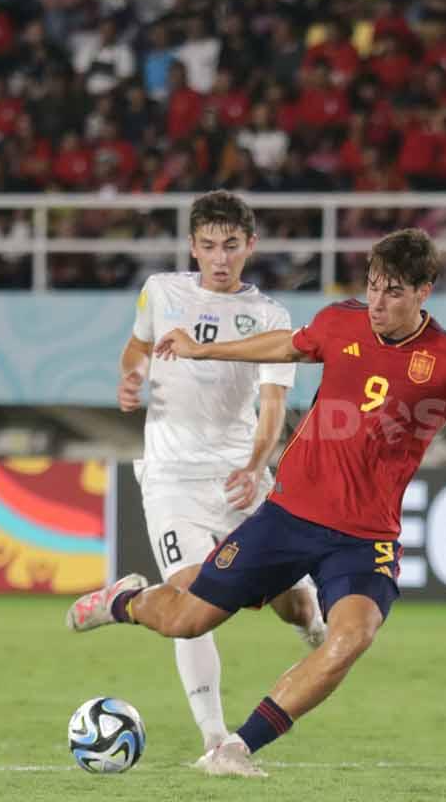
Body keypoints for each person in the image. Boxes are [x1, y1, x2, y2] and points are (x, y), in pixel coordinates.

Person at [66, 228, 446, 777]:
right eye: (374, 287)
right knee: (185, 620)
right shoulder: (342, 321)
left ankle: (236, 748)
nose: (378, 302)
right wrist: (203, 347)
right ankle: (125, 601)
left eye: (395, 292)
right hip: (288, 518)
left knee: (350, 637)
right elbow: (286, 344)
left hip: (365, 539)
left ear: (425, 290)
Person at [116, 191, 325, 757]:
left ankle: (310, 625)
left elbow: (274, 406)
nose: (219, 257)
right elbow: (135, 349)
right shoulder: (160, 292)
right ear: (192, 245)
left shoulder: (270, 318)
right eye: (208, 245)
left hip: (239, 477)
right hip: (170, 478)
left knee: (297, 607)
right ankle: (214, 738)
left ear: (250, 246)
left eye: (231, 245)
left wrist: (257, 465)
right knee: (191, 603)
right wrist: (131, 379)